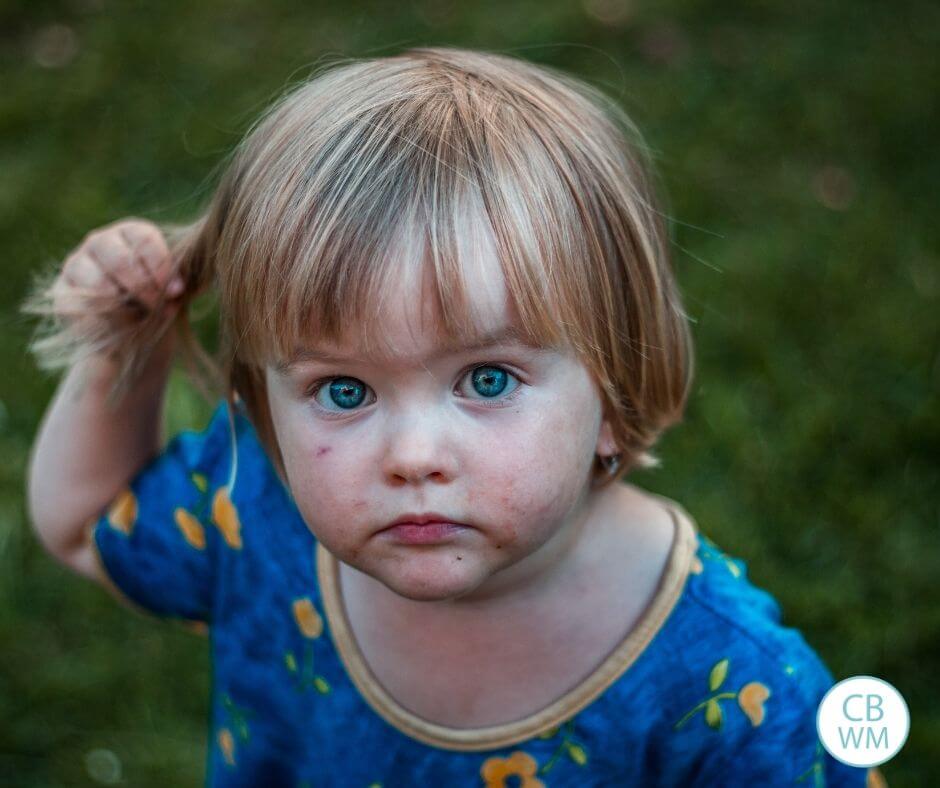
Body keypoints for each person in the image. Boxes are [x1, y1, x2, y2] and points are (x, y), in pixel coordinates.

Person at [22, 47, 882, 787]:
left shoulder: (734, 691)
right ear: (261, 407)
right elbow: (84, 523)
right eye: (344, 391)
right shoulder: (261, 514)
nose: (414, 456)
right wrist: (123, 346)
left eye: (489, 379)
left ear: (616, 390)